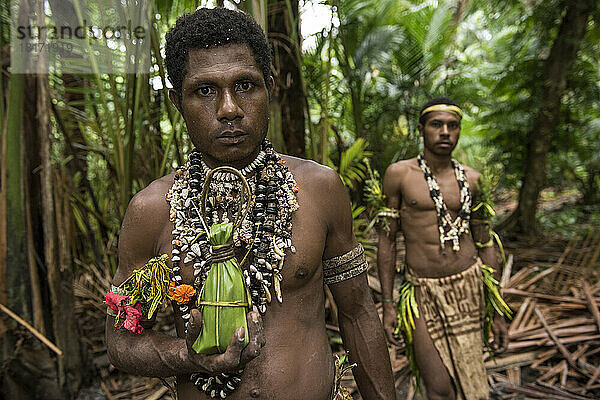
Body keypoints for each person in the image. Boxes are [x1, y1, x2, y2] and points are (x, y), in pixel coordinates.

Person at [105, 7, 395, 400]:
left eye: (245, 85)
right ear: (177, 100)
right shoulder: (152, 210)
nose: (229, 108)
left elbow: (358, 313)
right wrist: (188, 356)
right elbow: (120, 340)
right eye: (205, 90)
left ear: (269, 88)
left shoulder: (318, 189)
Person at [376, 97, 510, 400]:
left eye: (453, 125)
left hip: (470, 289)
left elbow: (485, 242)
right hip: (423, 293)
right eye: (437, 124)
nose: (445, 132)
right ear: (422, 129)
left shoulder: (473, 180)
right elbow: (386, 240)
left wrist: (498, 309)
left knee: (469, 377)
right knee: (440, 388)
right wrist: (387, 303)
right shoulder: (399, 175)